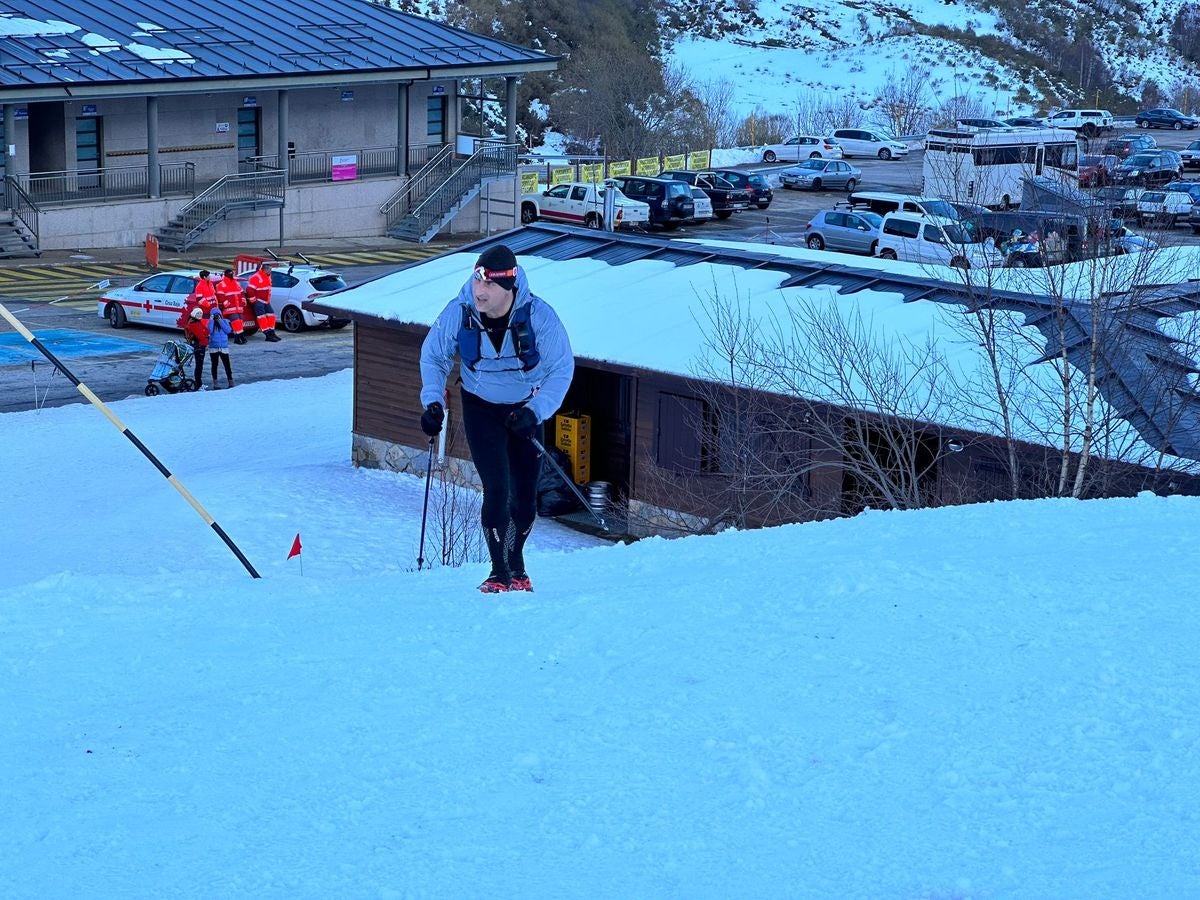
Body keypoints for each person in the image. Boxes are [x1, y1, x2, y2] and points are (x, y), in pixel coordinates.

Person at [419, 244, 575, 593]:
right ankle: (498, 572)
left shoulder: (539, 317)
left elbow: (561, 369)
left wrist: (536, 411)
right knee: (497, 489)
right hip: (480, 406)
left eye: (488, 285)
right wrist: (432, 402)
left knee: (524, 498)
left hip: (524, 410)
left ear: (509, 287)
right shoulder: (460, 311)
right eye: (476, 281)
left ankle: (516, 563)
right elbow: (433, 356)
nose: (479, 291)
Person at [246, 261, 281, 342]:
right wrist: (254, 301)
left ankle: (272, 332)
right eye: (269, 269)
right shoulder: (256, 277)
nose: (270, 271)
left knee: (271, 315)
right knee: (262, 318)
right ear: (264, 269)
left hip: (265, 301)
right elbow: (249, 289)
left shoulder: (267, 276)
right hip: (259, 301)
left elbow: (267, 289)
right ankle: (267, 334)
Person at [215, 268, 248, 344]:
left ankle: (237, 338)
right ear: (226, 274)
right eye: (230, 273)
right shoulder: (221, 285)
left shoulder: (236, 283)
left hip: (238, 307)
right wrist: (228, 305)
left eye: (232, 273)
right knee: (236, 321)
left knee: (240, 321)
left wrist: (243, 301)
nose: (231, 275)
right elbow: (221, 297)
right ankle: (241, 336)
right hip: (230, 308)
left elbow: (242, 292)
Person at [183, 305, 210, 390]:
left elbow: (206, 331)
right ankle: (199, 385)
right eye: (198, 313)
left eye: (200, 313)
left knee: (199, 366)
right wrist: (205, 339)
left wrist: (204, 334)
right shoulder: (194, 324)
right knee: (199, 366)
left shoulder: (195, 322)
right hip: (199, 346)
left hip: (198, 345)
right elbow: (202, 335)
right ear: (194, 314)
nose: (199, 315)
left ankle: (199, 384)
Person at [208, 307, 234, 389]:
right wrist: (211, 320)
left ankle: (230, 381)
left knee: (227, 365)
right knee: (214, 365)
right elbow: (210, 331)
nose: (216, 316)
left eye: (218, 314)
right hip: (213, 347)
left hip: (223, 347)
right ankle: (215, 383)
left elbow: (228, 330)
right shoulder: (210, 322)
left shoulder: (225, 321)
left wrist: (220, 321)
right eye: (214, 315)